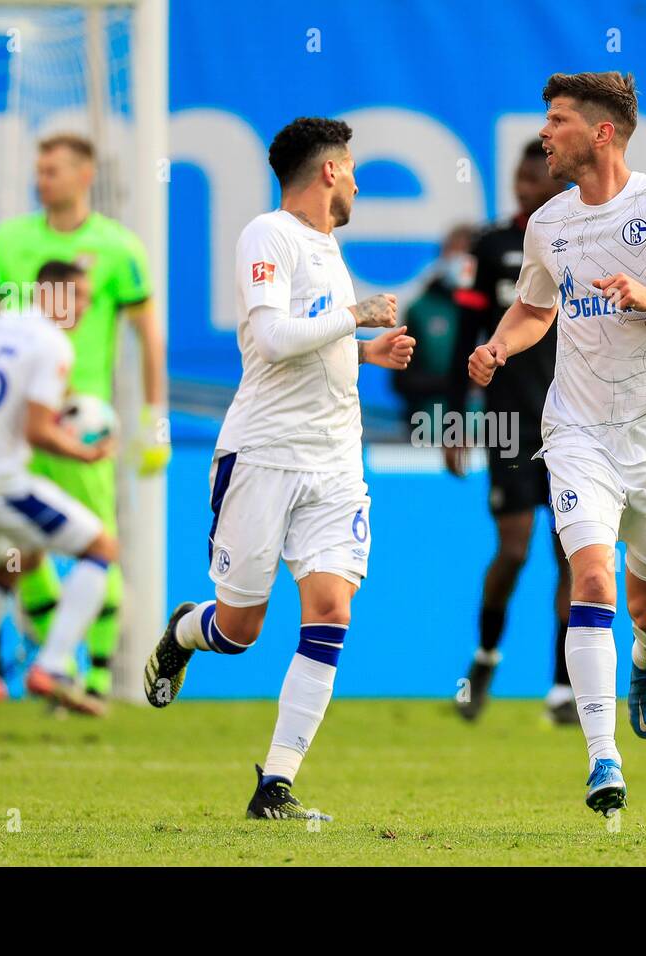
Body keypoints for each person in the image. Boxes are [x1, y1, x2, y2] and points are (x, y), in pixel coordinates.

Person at [468, 72, 646, 815]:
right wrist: (499, 349)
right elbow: (534, 309)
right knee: (589, 580)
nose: (544, 135)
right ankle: (603, 760)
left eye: (557, 121)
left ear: (601, 133)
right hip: (578, 433)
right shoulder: (548, 225)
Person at [143, 117, 416, 821]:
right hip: (263, 457)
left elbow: (310, 346)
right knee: (238, 632)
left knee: (331, 610)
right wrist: (353, 318)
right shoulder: (268, 235)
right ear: (328, 171)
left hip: (333, 464)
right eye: (351, 168)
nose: (356, 180)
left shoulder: (327, 248)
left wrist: (363, 353)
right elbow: (269, 340)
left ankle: (276, 786)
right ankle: (183, 631)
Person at [0, 133, 169, 703]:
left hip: (84, 417)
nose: (43, 179)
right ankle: (55, 666)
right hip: (18, 415)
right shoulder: (10, 241)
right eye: (39, 170)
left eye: (54, 170)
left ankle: (97, 672)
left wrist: (153, 416)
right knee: (21, 545)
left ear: (86, 175)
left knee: (96, 538)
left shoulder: (118, 247)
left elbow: (148, 334)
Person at [0, 261, 116, 717]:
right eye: (80, 298)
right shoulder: (53, 344)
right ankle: (53, 666)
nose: (86, 309)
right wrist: (84, 452)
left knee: (10, 565)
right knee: (100, 547)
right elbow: (37, 431)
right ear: (53, 295)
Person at [444, 139, 575, 724]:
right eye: (518, 180)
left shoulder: (583, 239)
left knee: (573, 554)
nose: (522, 188)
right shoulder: (492, 244)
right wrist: (455, 418)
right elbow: (464, 335)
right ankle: (485, 657)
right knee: (515, 550)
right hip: (508, 422)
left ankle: (563, 688)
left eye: (532, 179)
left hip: (575, 420)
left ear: (556, 180)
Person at [394, 225, 475, 420]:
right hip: (432, 420)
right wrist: (458, 382)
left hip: (494, 424)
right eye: (453, 253)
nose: (460, 261)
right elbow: (403, 379)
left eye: (467, 253)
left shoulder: (498, 308)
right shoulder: (421, 310)